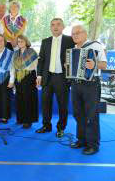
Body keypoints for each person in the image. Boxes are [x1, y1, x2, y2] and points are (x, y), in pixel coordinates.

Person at [69, 25, 107, 155]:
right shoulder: (74, 49)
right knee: (78, 114)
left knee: (91, 115)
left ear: (85, 33)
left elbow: (104, 64)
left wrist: (95, 64)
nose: (75, 35)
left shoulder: (95, 45)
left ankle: (93, 145)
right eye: (73, 33)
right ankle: (81, 140)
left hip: (91, 85)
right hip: (76, 84)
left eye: (78, 33)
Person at [36, 18, 75, 137]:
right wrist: (39, 75)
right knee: (45, 103)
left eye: (58, 24)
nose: (55, 27)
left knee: (62, 104)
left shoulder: (70, 40)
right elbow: (41, 60)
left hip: (62, 78)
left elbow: (75, 56)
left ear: (63, 27)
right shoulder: (45, 41)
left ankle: (61, 128)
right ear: (50, 27)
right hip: (47, 77)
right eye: (53, 25)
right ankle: (46, 125)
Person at [12, 35, 39, 128]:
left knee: (28, 99)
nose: (20, 43)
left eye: (22, 41)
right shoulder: (15, 53)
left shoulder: (32, 52)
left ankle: (28, 120)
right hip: (18, 78)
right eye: (18, 41)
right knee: (19, 99)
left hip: (29, 77)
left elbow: (36, 66)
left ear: (26, 41)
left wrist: (38, 78)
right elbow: (13, 67)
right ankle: (20, 119)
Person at [0, 35, 14, 123]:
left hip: (6, 77)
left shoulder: (10, 53)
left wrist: (12, 81)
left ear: (4, 42)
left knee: (5, 98)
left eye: (1, 41)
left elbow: (12, 68)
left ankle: (5, 116)